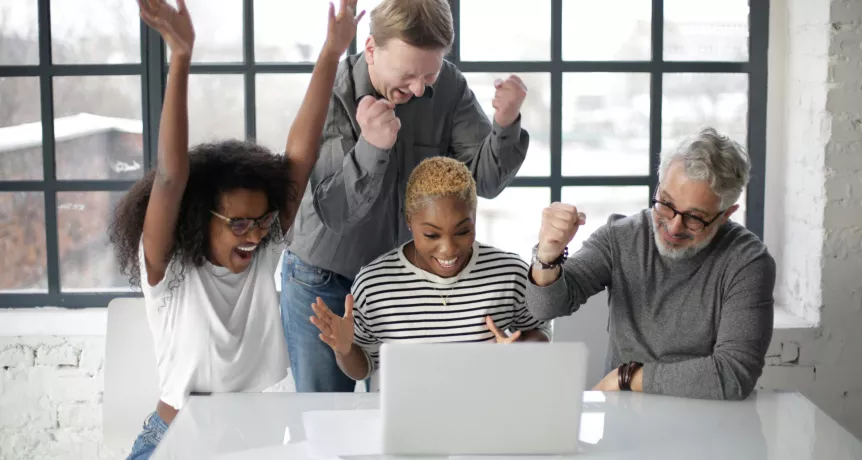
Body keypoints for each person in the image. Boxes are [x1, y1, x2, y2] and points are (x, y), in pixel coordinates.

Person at [108, 0, 363, 458]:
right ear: (200, 217)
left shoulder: (262, 251)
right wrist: (180, 58)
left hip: (255, 444)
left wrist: (331, 52)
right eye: (239, 223)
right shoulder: (170, 273)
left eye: (263, 221)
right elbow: (170, 176)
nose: (255, 234)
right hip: (174, 443)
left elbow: (298, 159)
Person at [281, 0, 531, 392]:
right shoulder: (334, 92)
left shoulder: (447, 86)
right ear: (370, 50)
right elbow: (336, 212)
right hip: (326, 278)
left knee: (405, 409)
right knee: (325, 417)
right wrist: (373, 147)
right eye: (407, 74)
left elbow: (485, 181)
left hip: (400, 283)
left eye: (428, 74)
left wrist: (506, 124)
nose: (418, 89)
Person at [525, 128, 775, 401]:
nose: (673, 226)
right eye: (666, 203)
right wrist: (547, 254)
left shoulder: (747, 262)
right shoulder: (620, 236)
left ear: (726, 214)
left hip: (707, 419)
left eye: (694, 217)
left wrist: (627, 377)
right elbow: (545, 306)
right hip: (624, 424)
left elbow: (734, 374)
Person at [306, 157, 550, 390]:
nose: (449, 249)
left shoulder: (509, 272)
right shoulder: (374, 284)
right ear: (409, 221)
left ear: (475, 218)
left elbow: (540, 333)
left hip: (486, 414)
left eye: (463, 231)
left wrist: (519, 350)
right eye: (432, 235)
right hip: (407, 419)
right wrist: (345, 350)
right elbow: (364, 368)